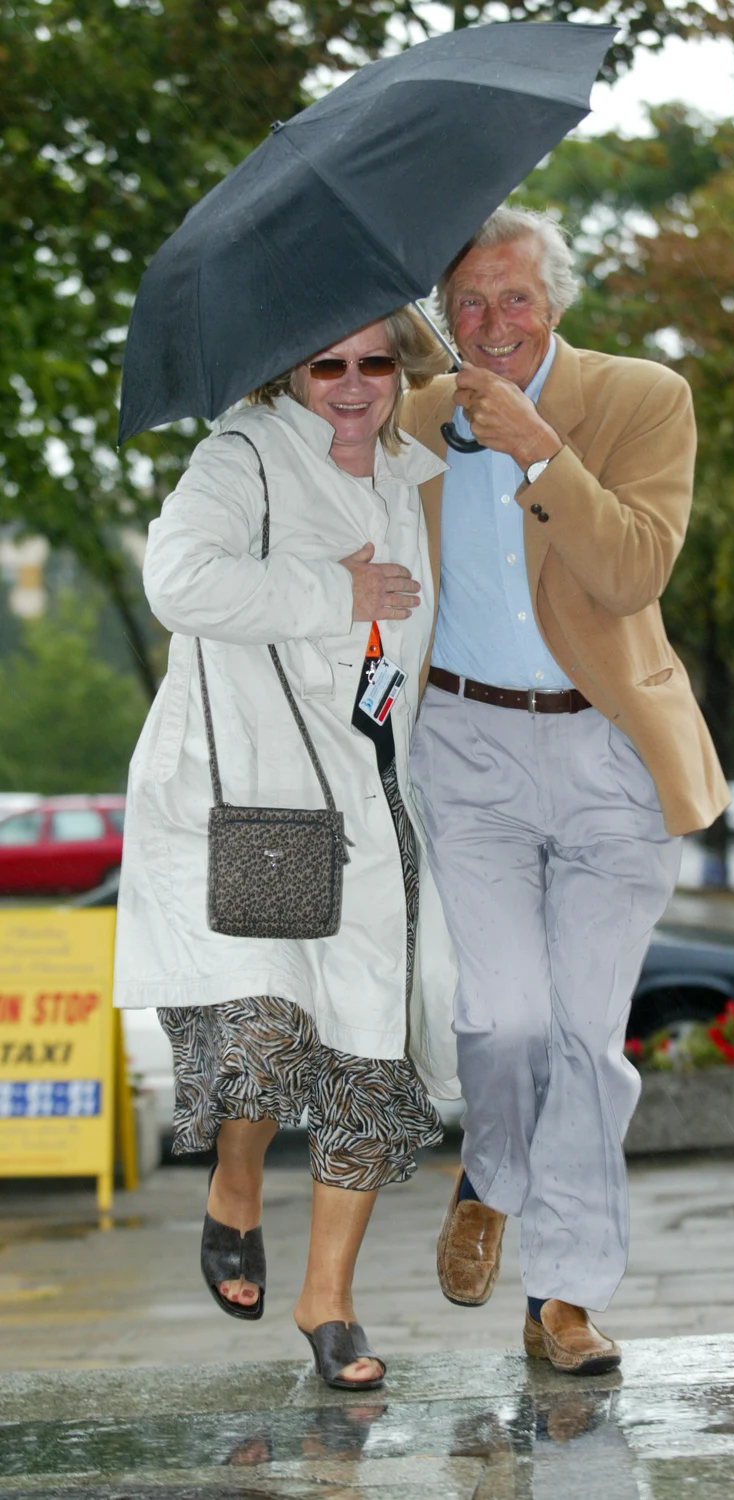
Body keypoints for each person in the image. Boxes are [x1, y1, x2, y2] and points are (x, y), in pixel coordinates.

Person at [402, 207, 729, 1374]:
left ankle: (566, 1299)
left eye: (516, 298)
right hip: (469, 752)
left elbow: (635, 565)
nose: (493, 324)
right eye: (470, 304)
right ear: (444, 315)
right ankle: (491, 1171)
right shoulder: (412, 418)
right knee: (504, 1019)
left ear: (557, 302)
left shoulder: (641, 399)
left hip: (608, 757)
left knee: (588, 1039)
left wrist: (542, 448)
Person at [113, 309, 459, 1390]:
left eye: (375, 363)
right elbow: (178, 582)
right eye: (328, 365)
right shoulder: (240, 456)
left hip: (372, 799)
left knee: (364, 1051)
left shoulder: (410, 473)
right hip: (256, 797)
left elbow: (405, 648)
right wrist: (335, 593)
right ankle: (235, 1184)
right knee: (265, 1034)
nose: (354, 386)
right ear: (288, 370)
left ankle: (330, 1301)